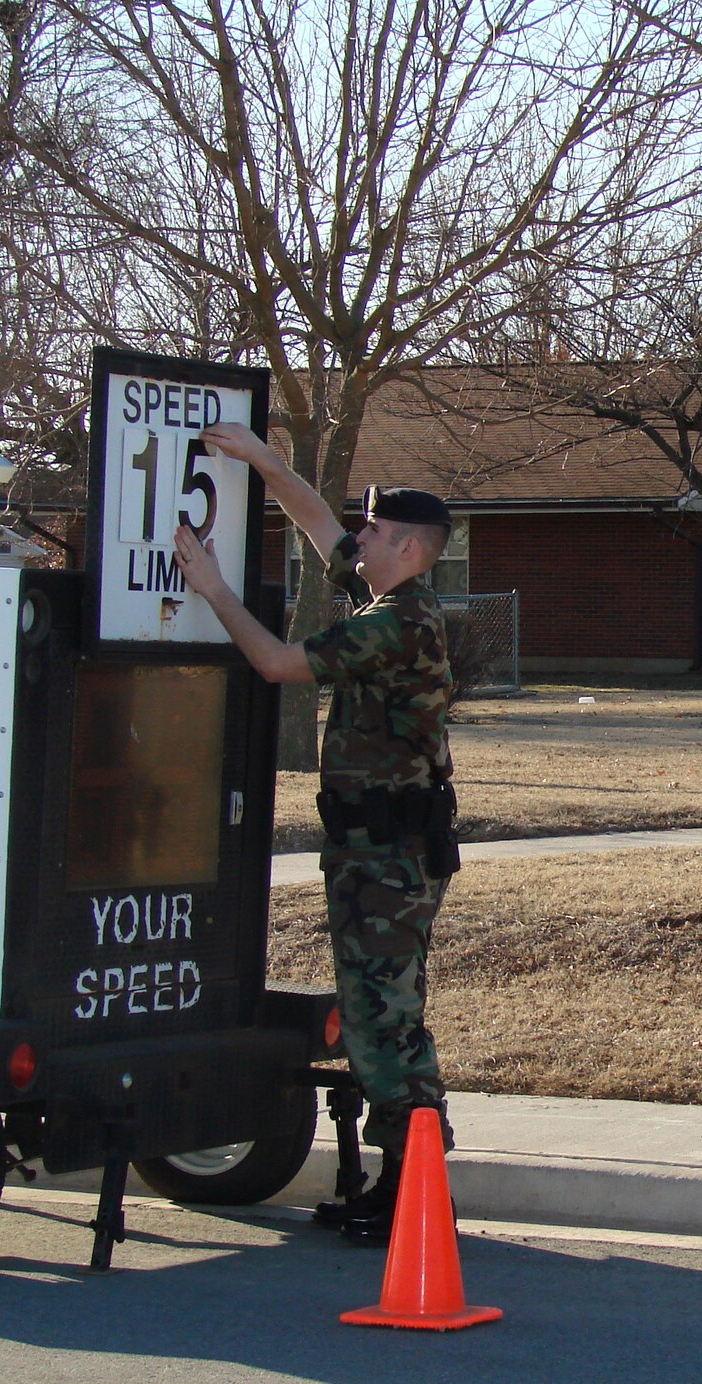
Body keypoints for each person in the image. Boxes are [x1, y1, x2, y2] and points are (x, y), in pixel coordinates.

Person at [173, 422, 460, 1246]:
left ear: (406, 548)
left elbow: (274, 662)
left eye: (372, 530)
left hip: (387, 861)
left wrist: (214, 589)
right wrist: (263, 461)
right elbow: (318, 526)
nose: (358, 536)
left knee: (382, 1023)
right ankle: (407, 1186)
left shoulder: (394, 626)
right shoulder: (394, 601)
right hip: (380, 852)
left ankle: (414, 1193)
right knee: (385, 1015)